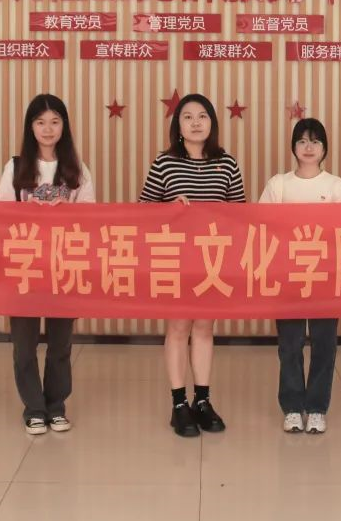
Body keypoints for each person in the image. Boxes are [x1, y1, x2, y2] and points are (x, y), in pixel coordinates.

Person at [140, 93, 246, 437]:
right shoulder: (165, 162)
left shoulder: (227, 163)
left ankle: (202, 400)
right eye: (188, 117)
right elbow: (143, 210)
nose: (196, 122)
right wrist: (169, 207)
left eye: (202, 116)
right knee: (177, 328)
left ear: (212, 122)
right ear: (178, 125)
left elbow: (240, 213)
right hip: (175, 259)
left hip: (212, 260)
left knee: (203, 328)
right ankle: (178, 404)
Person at [0, 94, 95, 435]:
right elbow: (0, 215)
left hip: (64, 267)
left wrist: (63, 213)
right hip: (24, 268)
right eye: (40, 122)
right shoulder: (16, 167)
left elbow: (91, 218)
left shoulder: (78, 169)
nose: (48, 129)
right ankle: (33, 407)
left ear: (64, 126)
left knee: (60, 344)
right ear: (30, 127)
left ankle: (56, 406)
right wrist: (31, 213)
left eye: (54, 122)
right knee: (24, 345)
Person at [260, 118, 341, 435]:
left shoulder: (336, 186)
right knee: (290, 344)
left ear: (324, 148)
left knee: (325, 344)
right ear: (293, 147)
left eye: (315, 141)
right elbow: (262, 226)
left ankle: (316, 408)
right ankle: (291, 407)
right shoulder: (279, 184)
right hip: (288, 277)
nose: (308, 147)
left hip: (326, 277)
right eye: (302, 141)